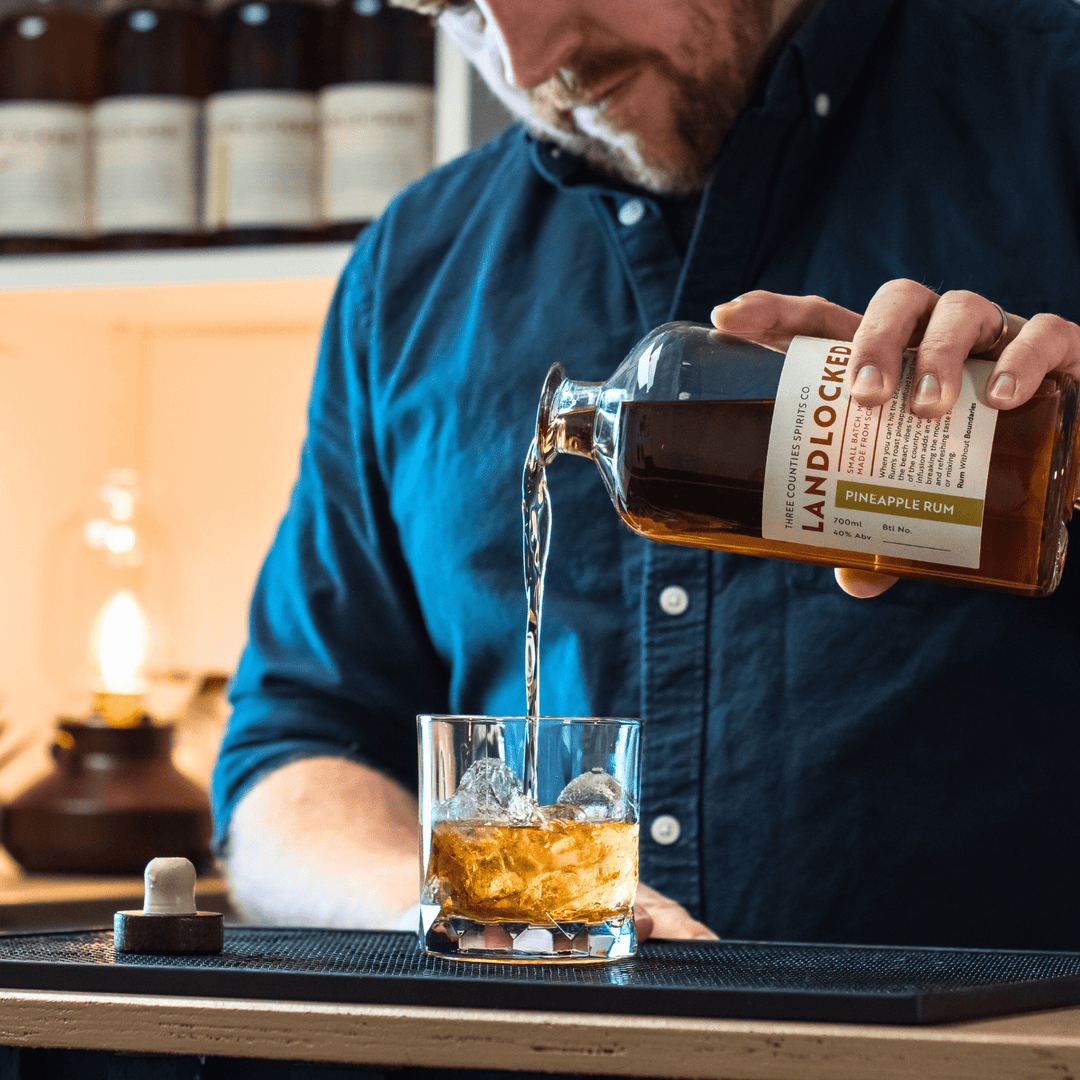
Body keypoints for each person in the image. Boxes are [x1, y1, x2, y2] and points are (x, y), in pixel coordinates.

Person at [213, 0, 1080, 949]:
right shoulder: (414, 264)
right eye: (456, 8)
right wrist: (452, 909)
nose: (525, 56)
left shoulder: (1054, 102)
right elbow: (296, 741)